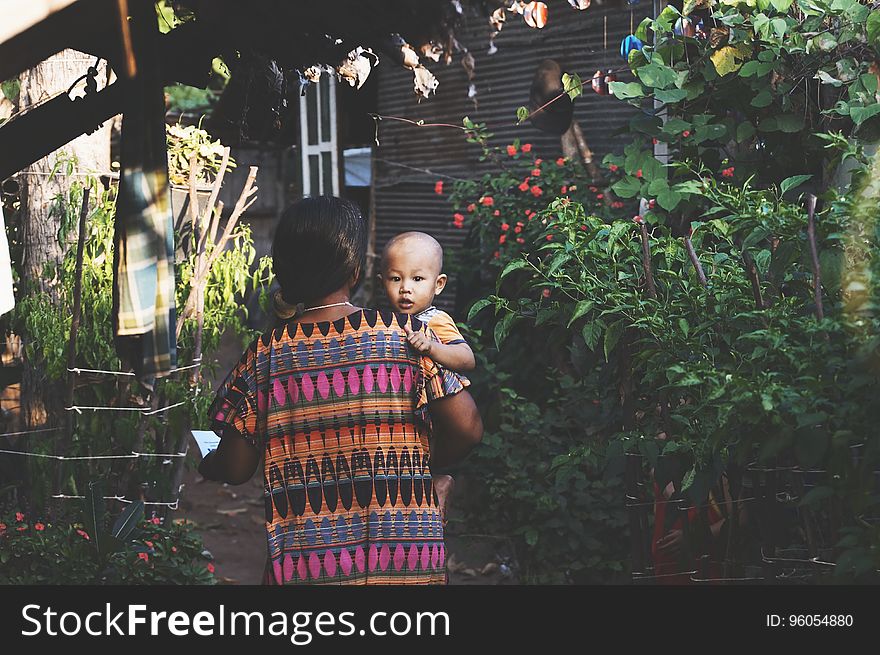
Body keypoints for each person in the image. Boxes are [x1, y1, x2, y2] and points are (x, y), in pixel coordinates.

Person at [199, 196, 482, 585]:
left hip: (308, 567)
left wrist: (207, 463)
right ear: (355, 269)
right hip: (405, 558)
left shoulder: (264, 355)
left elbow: (234, 467)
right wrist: (416, 473)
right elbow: (467, 429)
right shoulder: (406, 334)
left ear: (284, 271)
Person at [378, 231, 476, 523]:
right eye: (396, 279)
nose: (406, 289)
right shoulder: (386, 322)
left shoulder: (435, 320)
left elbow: (467, 358)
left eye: (417, 280)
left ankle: (438, 483)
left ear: (439, 284)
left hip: (434, 414)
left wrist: (432, 347)